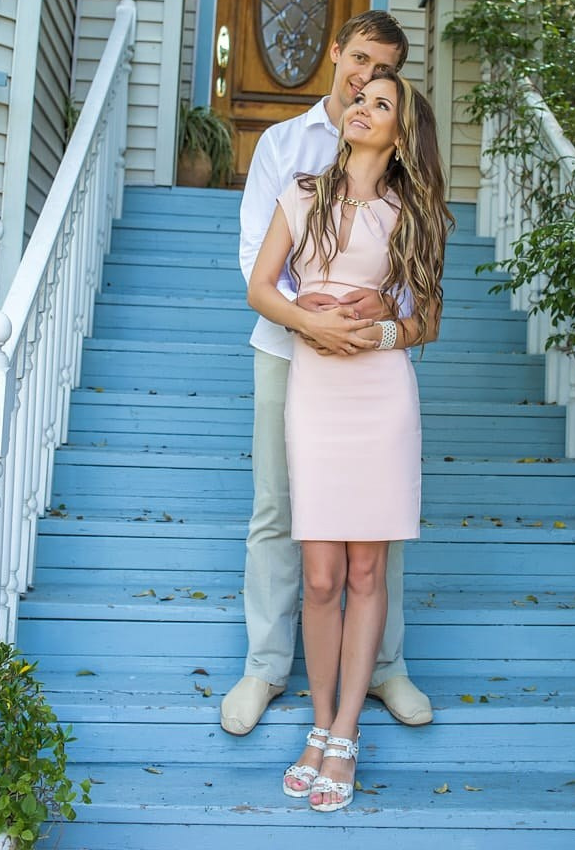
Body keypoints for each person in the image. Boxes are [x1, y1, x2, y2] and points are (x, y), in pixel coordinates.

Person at [220, 12, 434, 736]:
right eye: (360, 61)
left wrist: (374, 323)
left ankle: (381, 669)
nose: (364, 79)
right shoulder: (285, 147)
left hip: (370, 369)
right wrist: (310, 319)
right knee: (280, 511)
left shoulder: (405, 197)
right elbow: (259, 257)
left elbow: (415, 301)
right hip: (289, 353)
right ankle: (265, 666)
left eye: (383, 74)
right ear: (337, 52)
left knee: (375, 527)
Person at [247, 71, 451, 811]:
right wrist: (314, 322)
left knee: (367, 573)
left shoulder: (410, 212)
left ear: (400, 133)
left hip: (380, 392)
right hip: (316, 389)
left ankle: (341, 732)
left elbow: (423, 320)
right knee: (322, 576)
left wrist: (382, 324)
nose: (361, 108)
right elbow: (263, 289)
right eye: (359, 99)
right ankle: (316, 719)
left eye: (380, 104)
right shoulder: (302, 192)